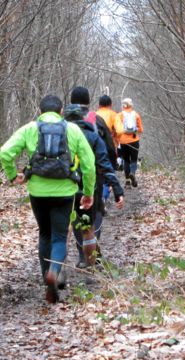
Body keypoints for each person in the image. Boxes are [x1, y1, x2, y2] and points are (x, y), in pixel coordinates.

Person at [0, 95, 96, 303]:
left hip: (38, 192)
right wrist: (88, 193)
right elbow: (89, 164)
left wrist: (12, 175)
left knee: (44, 233)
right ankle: (54, 271)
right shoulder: (72, 129)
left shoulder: (30, 129)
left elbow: (5, 152)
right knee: (59, 237)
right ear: (61, 112)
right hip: (65, 192)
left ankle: (47, 277)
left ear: (40, 111)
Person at [67, 87, 124, 267]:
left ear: (71, 100)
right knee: (94, 212)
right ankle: (91, 254)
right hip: (94, 175)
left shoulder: (63, 122)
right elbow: (108, 150)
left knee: (76, 214)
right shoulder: (96, 120)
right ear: (89, 101)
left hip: (68, 177)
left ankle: (82, 255)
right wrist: (113, 180)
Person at [117, 98, 143, 187]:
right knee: (134, 160)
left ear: (123, 105)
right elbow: (141, 129)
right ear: (131, 105)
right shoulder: (136, 115)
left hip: (123, 141)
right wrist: (135, 130)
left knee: (126, 160)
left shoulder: (119, 115)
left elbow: (117, 129)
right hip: (134, 140)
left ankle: (127, 181)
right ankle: (132, 173)